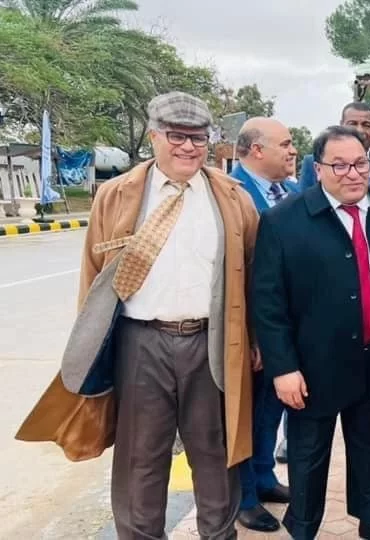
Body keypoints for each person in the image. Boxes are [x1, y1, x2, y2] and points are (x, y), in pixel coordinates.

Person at [17, 91, 260, 538]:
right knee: (140, 458)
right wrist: (91, 348)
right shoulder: (117, 195)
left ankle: (219, 534)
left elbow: (252, 273)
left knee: (215, 452)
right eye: (176, 136)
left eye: (198, 138)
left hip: (212, 342)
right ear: (153, 137)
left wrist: (254, 341)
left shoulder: (232, 197)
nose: (188, 147)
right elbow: (94, 276)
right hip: (140, 342)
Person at [252, 125, 370, 540]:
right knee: (309, 452)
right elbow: (268, 303)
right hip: (313, 365)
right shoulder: (284, 221)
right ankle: (303, 527)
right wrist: (283, 368)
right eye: (340, 165)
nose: (353, 173)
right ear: (318, 169)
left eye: (360, 163)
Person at [231, 117, 300, 531]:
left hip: (287, 328)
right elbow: (239, 273)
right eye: (285, 144)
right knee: (246, 413)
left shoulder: (291, 192)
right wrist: (255, 335)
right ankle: (244, 497)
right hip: (252, 330)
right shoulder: (231, 194)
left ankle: (263, 475)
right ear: (257, 150)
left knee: (271, 408)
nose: (293, 151)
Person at [298, 102, 370, 198]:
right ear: (341, 125)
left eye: (366, 125)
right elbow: (302, 204)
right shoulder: (313, 163)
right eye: (353, 124)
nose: (359, 130)